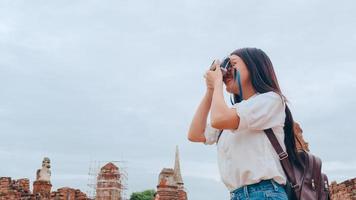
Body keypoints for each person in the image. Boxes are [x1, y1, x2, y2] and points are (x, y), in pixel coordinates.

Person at [188, 48, 301, 200]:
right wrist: (211, 89)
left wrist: (217, 83)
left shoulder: (271, 100)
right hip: (237, 195)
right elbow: (195, 134)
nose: (226, 71)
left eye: (232, 64)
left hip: (265, 193)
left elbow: (218, 119)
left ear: (254, 67)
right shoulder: (233, 113)